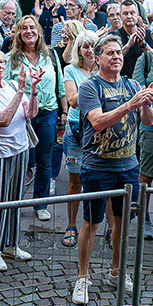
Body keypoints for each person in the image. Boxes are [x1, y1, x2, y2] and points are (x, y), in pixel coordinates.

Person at [75, 35, 153, 305]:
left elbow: (148, 120)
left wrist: (145, 104)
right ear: (97, 58)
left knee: (123, 225)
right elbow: (97, 122)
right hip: (97, 165)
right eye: (109, 53)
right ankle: (83, 277)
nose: (116, 57)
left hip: (128, 166)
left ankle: (116, 271)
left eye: (118, 54)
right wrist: (130, 104)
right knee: (91, 222)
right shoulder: (90, 87)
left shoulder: (132, 84)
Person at [0, 48, 38, 271]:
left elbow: (30, 113)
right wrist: (21, 91)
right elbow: (1, 120)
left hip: (20, 149)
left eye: (2, 62)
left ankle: (11, 244)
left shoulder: (11, 85)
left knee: (15, 200)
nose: (0, 66)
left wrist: (32, 90)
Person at [5, 15, 64, 221]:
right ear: (19, 34)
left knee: (44, 161)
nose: (29, 31)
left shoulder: (50, 55)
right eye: (24, 28)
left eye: (32, 27)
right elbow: (4, 89)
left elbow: (60, 85)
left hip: (47, 113)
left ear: (39, 31)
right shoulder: (10, 58)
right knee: (20, 160)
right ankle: (15, 202)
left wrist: (63, 111)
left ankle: (41, 203)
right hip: (21, 117)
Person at [61, 30, 98, 248]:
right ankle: (71, 225)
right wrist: (94, 81)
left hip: (98, 130)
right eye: (86, 46)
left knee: (98, 180)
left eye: (93, 46)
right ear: (79, 51)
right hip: (76, 130)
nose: (90, 50)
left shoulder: (104, 71)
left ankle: (98, 226)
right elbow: (73, 101)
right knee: (74, 180)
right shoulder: (70, 70)